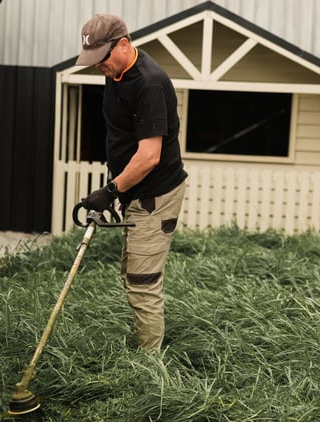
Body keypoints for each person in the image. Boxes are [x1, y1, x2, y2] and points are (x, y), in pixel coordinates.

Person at [76, 13, 188, 351]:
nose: (98, 65)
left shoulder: (149, 84)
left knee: (142, 282)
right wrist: (116, 187)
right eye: (93, 58)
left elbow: (149, 156)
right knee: (131, 274)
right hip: (134, 191)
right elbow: (122, 136)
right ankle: (146, 342)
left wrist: (110, 191)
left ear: (123, 44)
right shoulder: (116, 73)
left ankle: (148, 366)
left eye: (102, 57)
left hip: (156, 194)